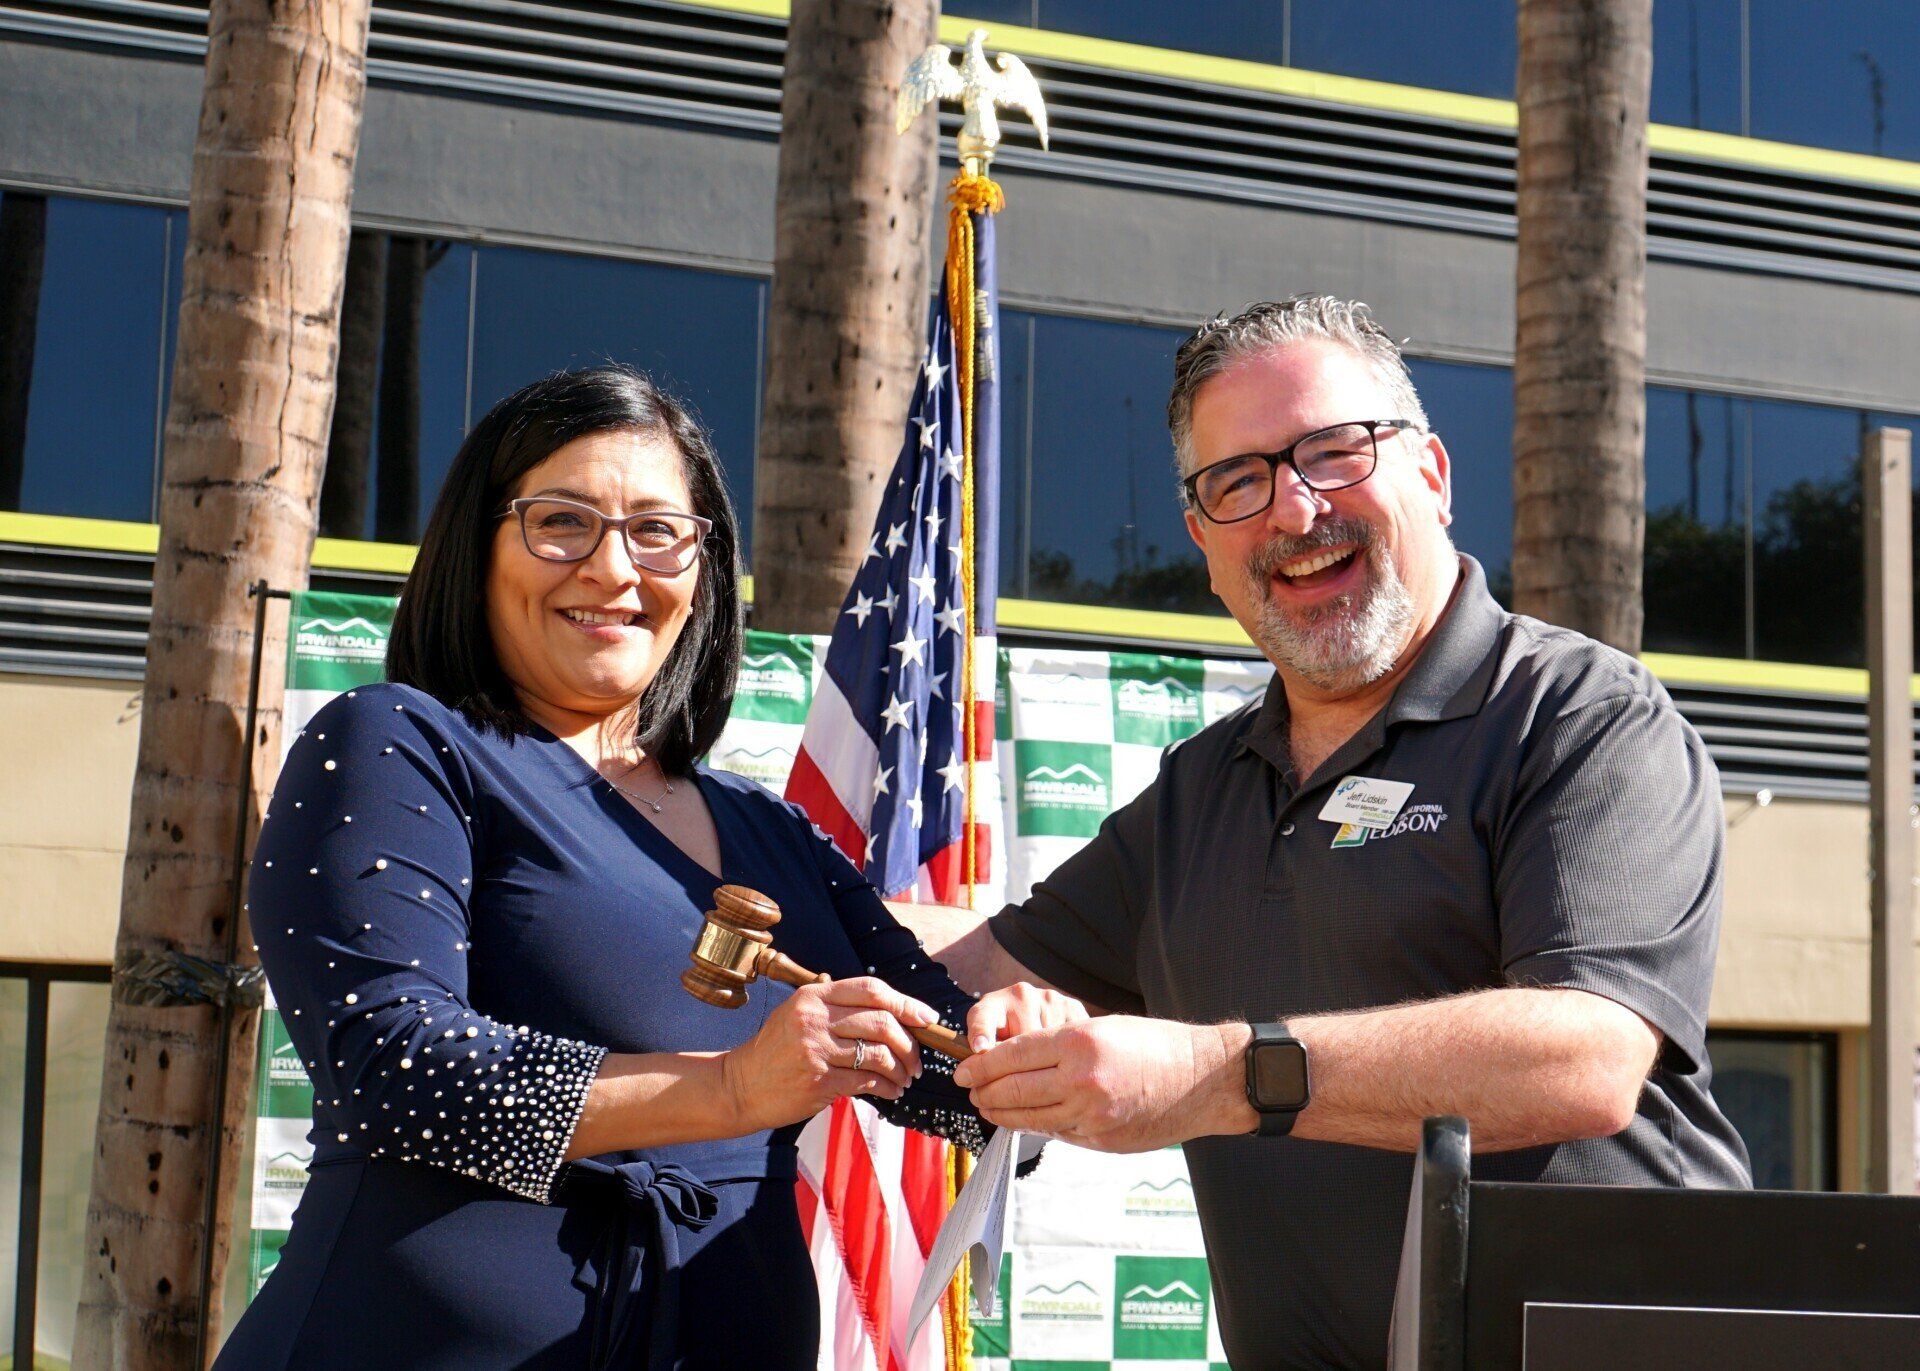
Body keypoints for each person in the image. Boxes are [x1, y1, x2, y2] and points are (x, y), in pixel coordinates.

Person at [941, 298, 1754, 1370]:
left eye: (1334, 450)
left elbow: (1584, 1057)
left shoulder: (1580, 718)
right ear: (1203, 540)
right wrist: (682, 850)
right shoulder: (1202, 789)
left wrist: (1216, 1075)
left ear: (1432, 472)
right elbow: (960, 972)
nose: (1294, 507)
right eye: (1239, 481)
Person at [219, 366, 1072, 1370]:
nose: (614, 569)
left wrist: (1021, 1047)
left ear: (704, 567)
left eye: (657, 530)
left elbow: (949, 1079)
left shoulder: (772, 830)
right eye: (561, 522)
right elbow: (393, 1070)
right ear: (475, 547)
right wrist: (733, 1090)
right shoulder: (399, 741)